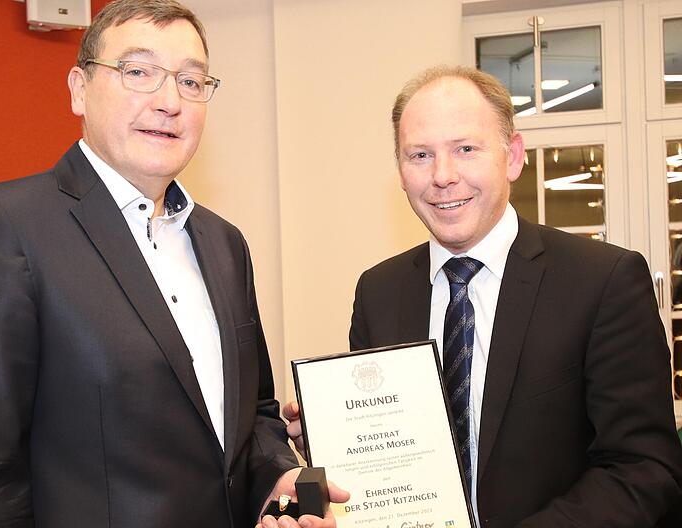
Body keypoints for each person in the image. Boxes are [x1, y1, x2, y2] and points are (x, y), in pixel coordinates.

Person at [0, 1, 347, 526]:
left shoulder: (224, 244)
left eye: (191, 81)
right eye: (139, 72)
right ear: (78, 89)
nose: (169, 101)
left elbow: (251, 415)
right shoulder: (0, 226)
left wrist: (276, 474)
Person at [284, 65, 682, 527]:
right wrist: (332, 439)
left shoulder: (603, 281)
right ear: (399, 171)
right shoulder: (379, 292)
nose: (443, 176)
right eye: (420, 155)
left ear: (513, 156)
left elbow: (643, 469)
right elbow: (391, 455)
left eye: (466, 149)